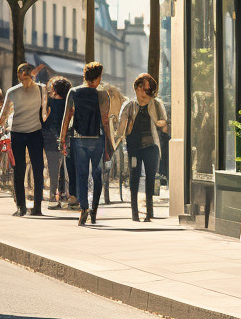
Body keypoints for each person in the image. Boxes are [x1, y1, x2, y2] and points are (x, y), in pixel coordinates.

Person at [60, 62, 112, 226]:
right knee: (97, 175)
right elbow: (105, 121)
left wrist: (62, 139)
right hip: (97, 139)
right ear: (98, 77)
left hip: (79, 139)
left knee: (81, 175)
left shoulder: (73, 92)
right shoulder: (102, 95)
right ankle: (94, 210)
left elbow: (67, 117)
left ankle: (83, 208)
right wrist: (110, 143)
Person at [0, 63, 48, 217]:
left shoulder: (38, 89)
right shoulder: (37, 89)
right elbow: (43, 112)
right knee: (29, 169)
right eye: (21, 74)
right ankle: (28, 206)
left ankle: (26, 207)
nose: (22, 77)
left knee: (27, 170)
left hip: (25, 133)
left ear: (29, 73)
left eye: (24, 74)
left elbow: (4, 115)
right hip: (25, 133)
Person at [116, 73, 168, 223]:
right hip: (134, 148)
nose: (148, 94)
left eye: (150, 91)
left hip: (151, 147)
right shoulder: (129, 105)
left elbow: (166, 123)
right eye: (145, 90)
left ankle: (149, 213)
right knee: (134, 177)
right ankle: (134, 213)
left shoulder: (156, 104)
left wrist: (163, 124)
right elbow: (120, 129)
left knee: (151, 178)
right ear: (137, 88)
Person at [42, 77, 71, 210]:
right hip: (66, 138)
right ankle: (65, 196)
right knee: (65, 168)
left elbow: (43, 118)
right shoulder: (69, 103)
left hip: (49, 137)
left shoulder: (49, 102)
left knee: (53, 169)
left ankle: (53, 198)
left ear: (54, 89)